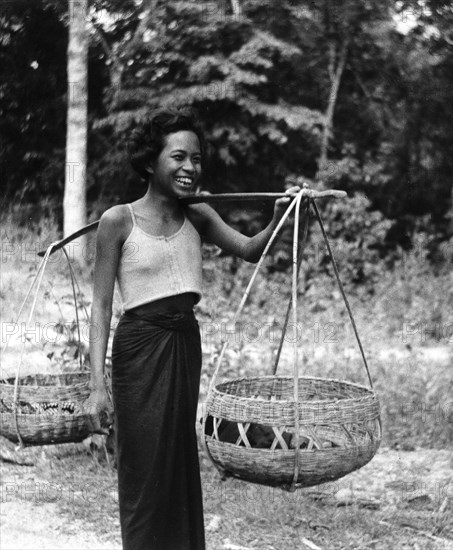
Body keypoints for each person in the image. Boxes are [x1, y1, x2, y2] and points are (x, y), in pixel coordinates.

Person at [84, 106, 299, 550]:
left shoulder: (198, 214)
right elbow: (102, 306)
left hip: (183, 342)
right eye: (178, 157)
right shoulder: (117, 221)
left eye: (196, 158)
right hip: (139, 348)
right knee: (143, 461)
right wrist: (96, 386)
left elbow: (250, 250)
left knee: (178, 457)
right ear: (150, 162)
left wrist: (280, 215)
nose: (190, 167)